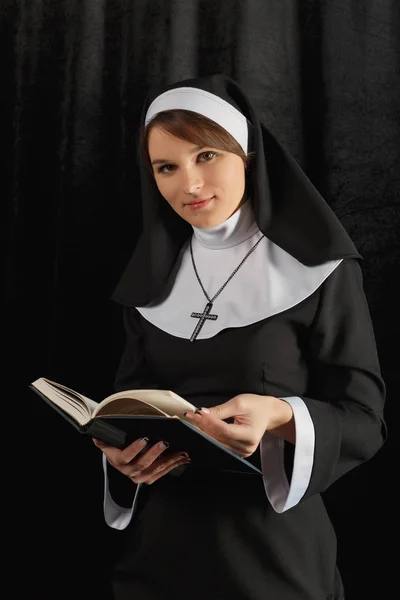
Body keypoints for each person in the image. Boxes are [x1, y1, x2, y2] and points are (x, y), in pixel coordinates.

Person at [93, 74, 386, 600]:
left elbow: (365, 424)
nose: (190, 185)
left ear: (246, 153)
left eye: (207, 156)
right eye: (167, 167)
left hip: (273, 554)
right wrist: (120, 455)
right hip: (159, 551)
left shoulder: (320, 271)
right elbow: (128, 403)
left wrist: (278, 415)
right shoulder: (150, 280)